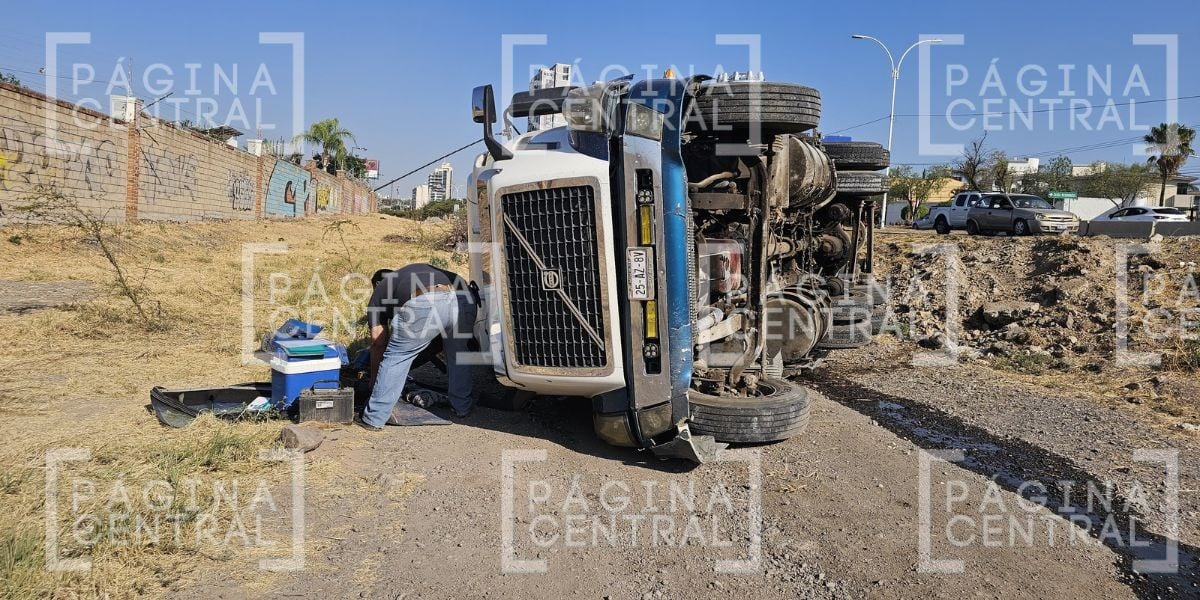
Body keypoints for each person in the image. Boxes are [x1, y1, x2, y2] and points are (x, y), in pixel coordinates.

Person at [356, 263, 477, 430]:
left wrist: (373, 381)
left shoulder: (380, 288)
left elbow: (378, 343)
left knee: (397, 357)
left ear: (376, 284)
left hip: (427, 299)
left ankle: (374, 417)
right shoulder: (411, 273)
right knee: (457, 353)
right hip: (465, 298)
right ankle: (462, 407)